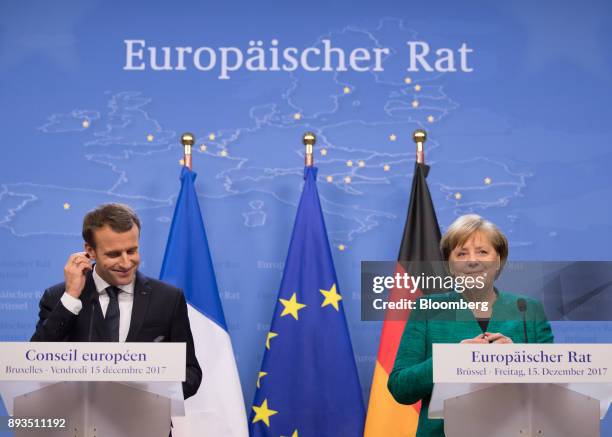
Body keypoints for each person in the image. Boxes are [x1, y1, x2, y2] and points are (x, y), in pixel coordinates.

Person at [387, 214, 553, 437]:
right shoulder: (427, 308)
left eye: (482, 252)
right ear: (450, 265)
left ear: (499, 260)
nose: (472, 260)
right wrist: (450, 360)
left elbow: (554, 388)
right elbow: (400, 388)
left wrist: (518, 359)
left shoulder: (527, 309)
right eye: (461, 253)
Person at [31, 203, 202, 399]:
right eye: (113, 254)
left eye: (131, 251)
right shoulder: (59, 297)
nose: (125, 263)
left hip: (145, 424)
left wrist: (152, 391)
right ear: (90, 250)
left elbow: (191, 372)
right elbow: (35, 363)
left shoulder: (168, 298)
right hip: (80, 425)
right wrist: (71, 297)